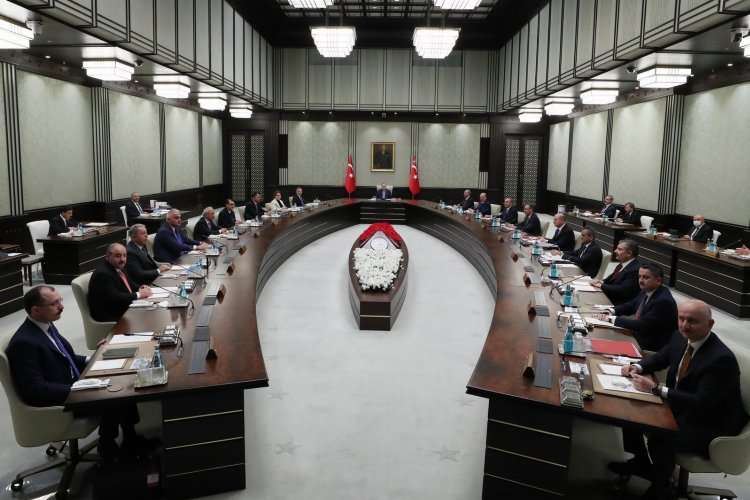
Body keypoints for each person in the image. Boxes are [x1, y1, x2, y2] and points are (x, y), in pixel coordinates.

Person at [609, 300, 748, 499]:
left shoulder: (720, 359)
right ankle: (642, 463)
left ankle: (662, 486)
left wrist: (657, 389)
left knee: (660, 435)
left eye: (692, 321)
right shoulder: (680, 337)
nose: (684, 325)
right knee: (630, 414)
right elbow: (661, 357)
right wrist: (637, 367)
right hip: (684, 407)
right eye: (681, 319)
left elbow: (701, 402)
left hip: (710, 423)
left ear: (710, 324)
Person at [6, 286, 144, 461]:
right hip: (58, 398)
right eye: (54, 304)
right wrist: (77, 389)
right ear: (36, 310)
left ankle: (130, 439)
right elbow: (35, 390)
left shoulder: (45, 325)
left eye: (60, 301)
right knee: (116, 393)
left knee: (122, 377)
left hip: (71, 383)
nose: (61, 306)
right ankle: (108, 448)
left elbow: (66, 357)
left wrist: (97, 356)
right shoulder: (24, 343)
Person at [605, 264, 677, 351]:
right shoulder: (647, 290)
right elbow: (631, 306)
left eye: (646, 277)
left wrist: (611, 319)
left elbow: (641, 325)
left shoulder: (663, 301)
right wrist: (610, 311)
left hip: (648, 347)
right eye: (639, 276)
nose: (641, 280)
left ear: (658, 280)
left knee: (607, 343)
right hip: (638, 336)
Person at [88, 243, 153, 322]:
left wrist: (141, 287)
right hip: (111, 315)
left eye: (124, 256)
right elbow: (115, 297)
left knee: (152, 311)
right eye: (118, 256)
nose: (122, 259)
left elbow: (130, 284)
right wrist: (139, 294)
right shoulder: (103, 274)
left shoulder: (118, 267)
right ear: (107, 257)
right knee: (148, 318)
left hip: (123, 308)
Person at [591, 239, 641, 305]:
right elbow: (610, 279)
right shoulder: (621, 265)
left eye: (619, 249)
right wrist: (600, 281)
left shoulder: (634, 270)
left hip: (617, 304)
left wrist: (601, 285)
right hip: (609, 297)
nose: (615, 251)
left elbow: (622, 290)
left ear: (629, 253)